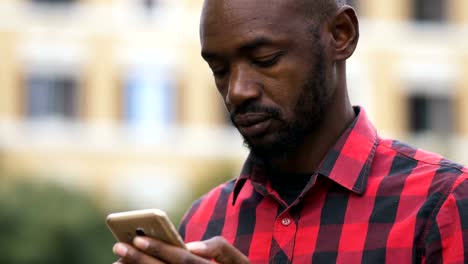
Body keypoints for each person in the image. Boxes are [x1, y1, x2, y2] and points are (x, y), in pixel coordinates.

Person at [112, 0, 468, 263]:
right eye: (219, 70)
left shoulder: (442, 204)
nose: (237, 90)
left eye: (264, 60)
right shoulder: (204, 222)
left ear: (341, 35)